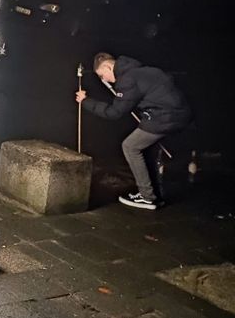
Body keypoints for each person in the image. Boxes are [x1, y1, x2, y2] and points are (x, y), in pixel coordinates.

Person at [76, 52, 192, 210]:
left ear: (108, 67)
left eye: (102, 75)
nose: (104, 80)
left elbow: (114, 113)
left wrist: (86, 101)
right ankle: (156, 195)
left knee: (130, 146)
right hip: (178, 113)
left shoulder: (127, 80)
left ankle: (147, 197)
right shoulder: (140, 70)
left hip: (165, 117)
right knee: (147, 149)